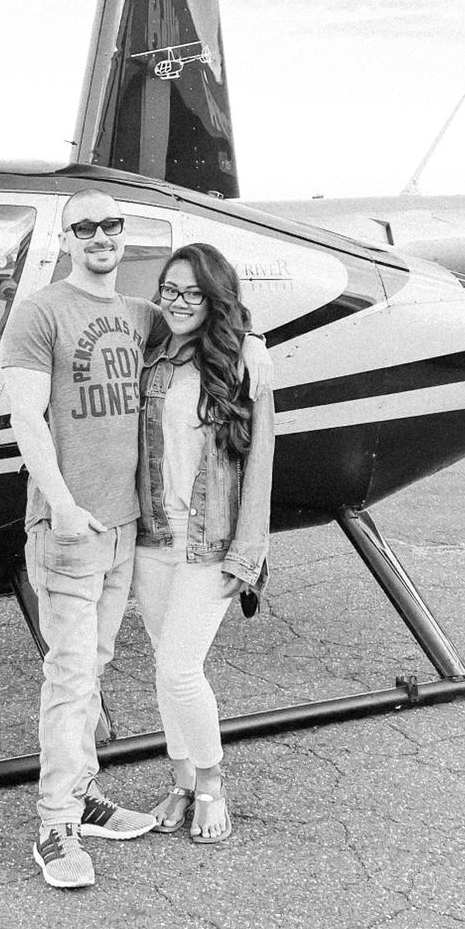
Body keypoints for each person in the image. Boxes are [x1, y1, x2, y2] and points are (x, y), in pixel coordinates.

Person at [1, 191, 266, 889]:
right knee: (71, 675)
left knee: (95, 666)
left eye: (110, 225)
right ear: (66, 236)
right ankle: (56, 825)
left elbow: (213, 322)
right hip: (73, 527)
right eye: (84, 226)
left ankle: (86, 793)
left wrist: (255, 348)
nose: (99, 236)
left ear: (124, 234)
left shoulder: (142, 317)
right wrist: (61, 505)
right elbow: (25, 417)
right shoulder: (40, 313)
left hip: (133, 530)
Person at [133, 242, 274, 846]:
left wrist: (249, 551)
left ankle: (212, 782)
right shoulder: (151, 354)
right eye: (169, 290)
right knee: (165, 666)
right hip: (152, 537)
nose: (178, 302)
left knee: (179, 667)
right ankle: (182, 780)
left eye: (194, 293)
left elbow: (261, 460)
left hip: (210, 543)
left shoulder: (242, 364)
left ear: (215, 299)